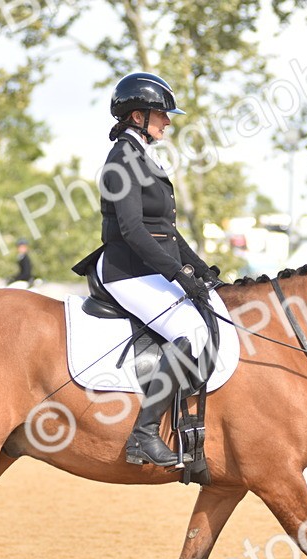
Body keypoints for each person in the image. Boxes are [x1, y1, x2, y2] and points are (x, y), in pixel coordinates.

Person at [97, 72, 219, 467]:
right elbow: (133, 230)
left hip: (148, 267)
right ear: (137, 117)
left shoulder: (143, 155)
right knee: (189, 329)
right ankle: (144, 434)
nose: (168, 121)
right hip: (126, 270)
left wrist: (199, 269)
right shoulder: (121, 159)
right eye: (161, 114)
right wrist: (177, 274)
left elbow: (165, 230)